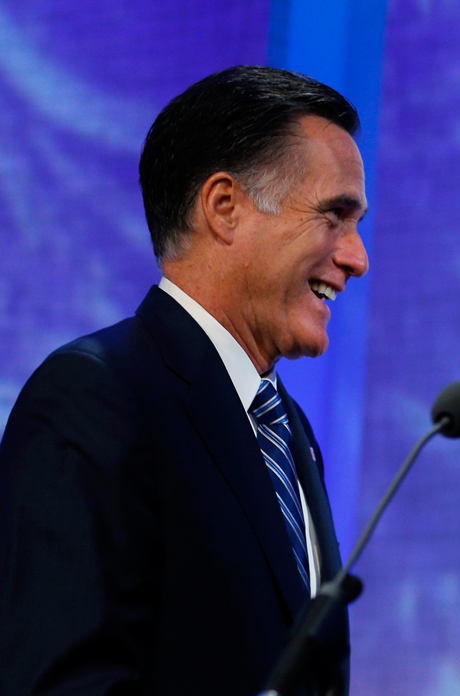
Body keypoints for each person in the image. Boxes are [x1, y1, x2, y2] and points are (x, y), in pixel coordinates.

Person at [0, 66, 368, 695]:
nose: (357, 258)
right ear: (225, 208)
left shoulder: (286, 429)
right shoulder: (96, 397)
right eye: (334, 216)